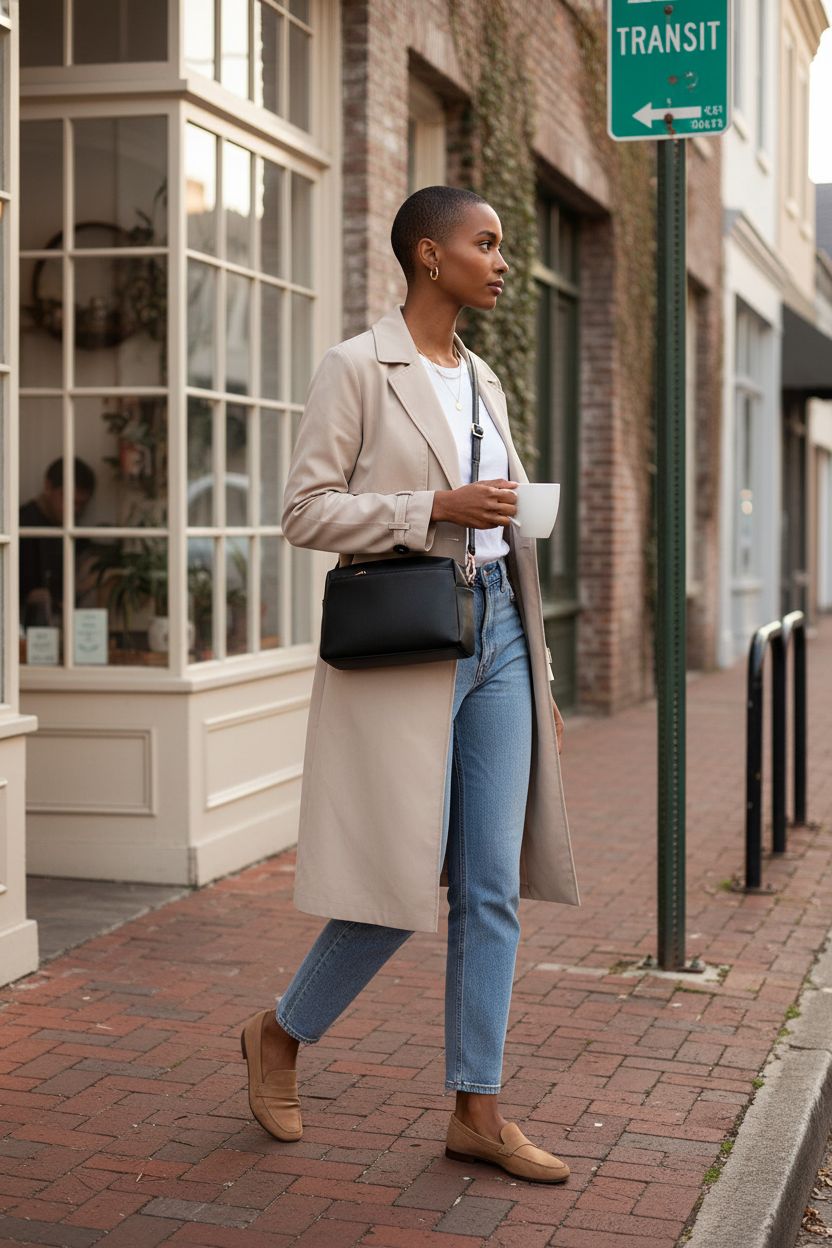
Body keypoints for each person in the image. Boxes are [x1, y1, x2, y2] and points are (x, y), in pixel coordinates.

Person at [240, 186, 580, 1184]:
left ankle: (477, 1107)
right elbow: (305, 512)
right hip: (411, 643)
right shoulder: (355, 366)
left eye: (504, 244)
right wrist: (431, 504)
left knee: (489, 888)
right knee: (397, 879)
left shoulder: (483, 380)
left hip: (504, 640)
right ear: (429, 257)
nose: (502, 260)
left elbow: (503, 525)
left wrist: (543, 678)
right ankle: (280, 1034)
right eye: (487, 243)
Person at [19, 457, 96, 625]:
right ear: (48, 487)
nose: (74, 510)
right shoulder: (21, 526)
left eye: (81, 504)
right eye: (69, 500)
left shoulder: (74, 532)